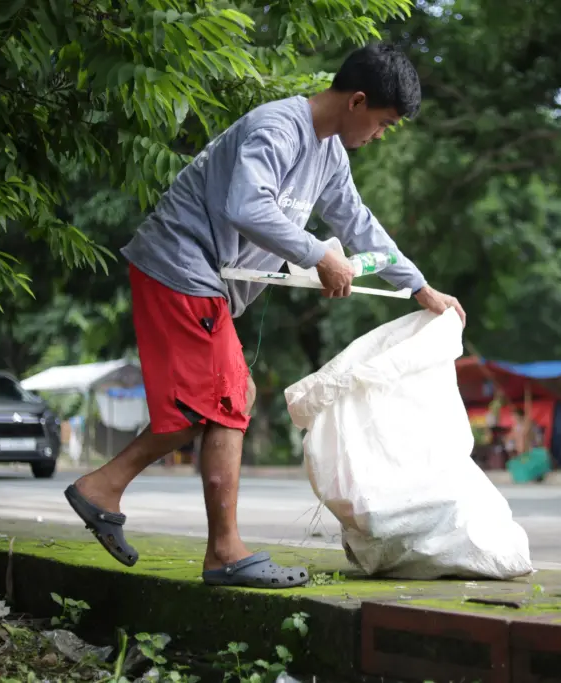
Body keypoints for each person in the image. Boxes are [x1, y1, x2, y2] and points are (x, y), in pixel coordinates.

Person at [64, 43, 466, 589]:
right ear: (358, 101)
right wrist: (318, 254)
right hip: (182, 265)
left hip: (203, 281)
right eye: (383, 123)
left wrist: (420, 288)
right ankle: (223, 551)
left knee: (224, 401)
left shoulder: (329, 155)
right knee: (228, 400)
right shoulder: (277, 128)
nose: (379, 135)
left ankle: (102, 488)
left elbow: (358, 223)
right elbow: (244, 205)